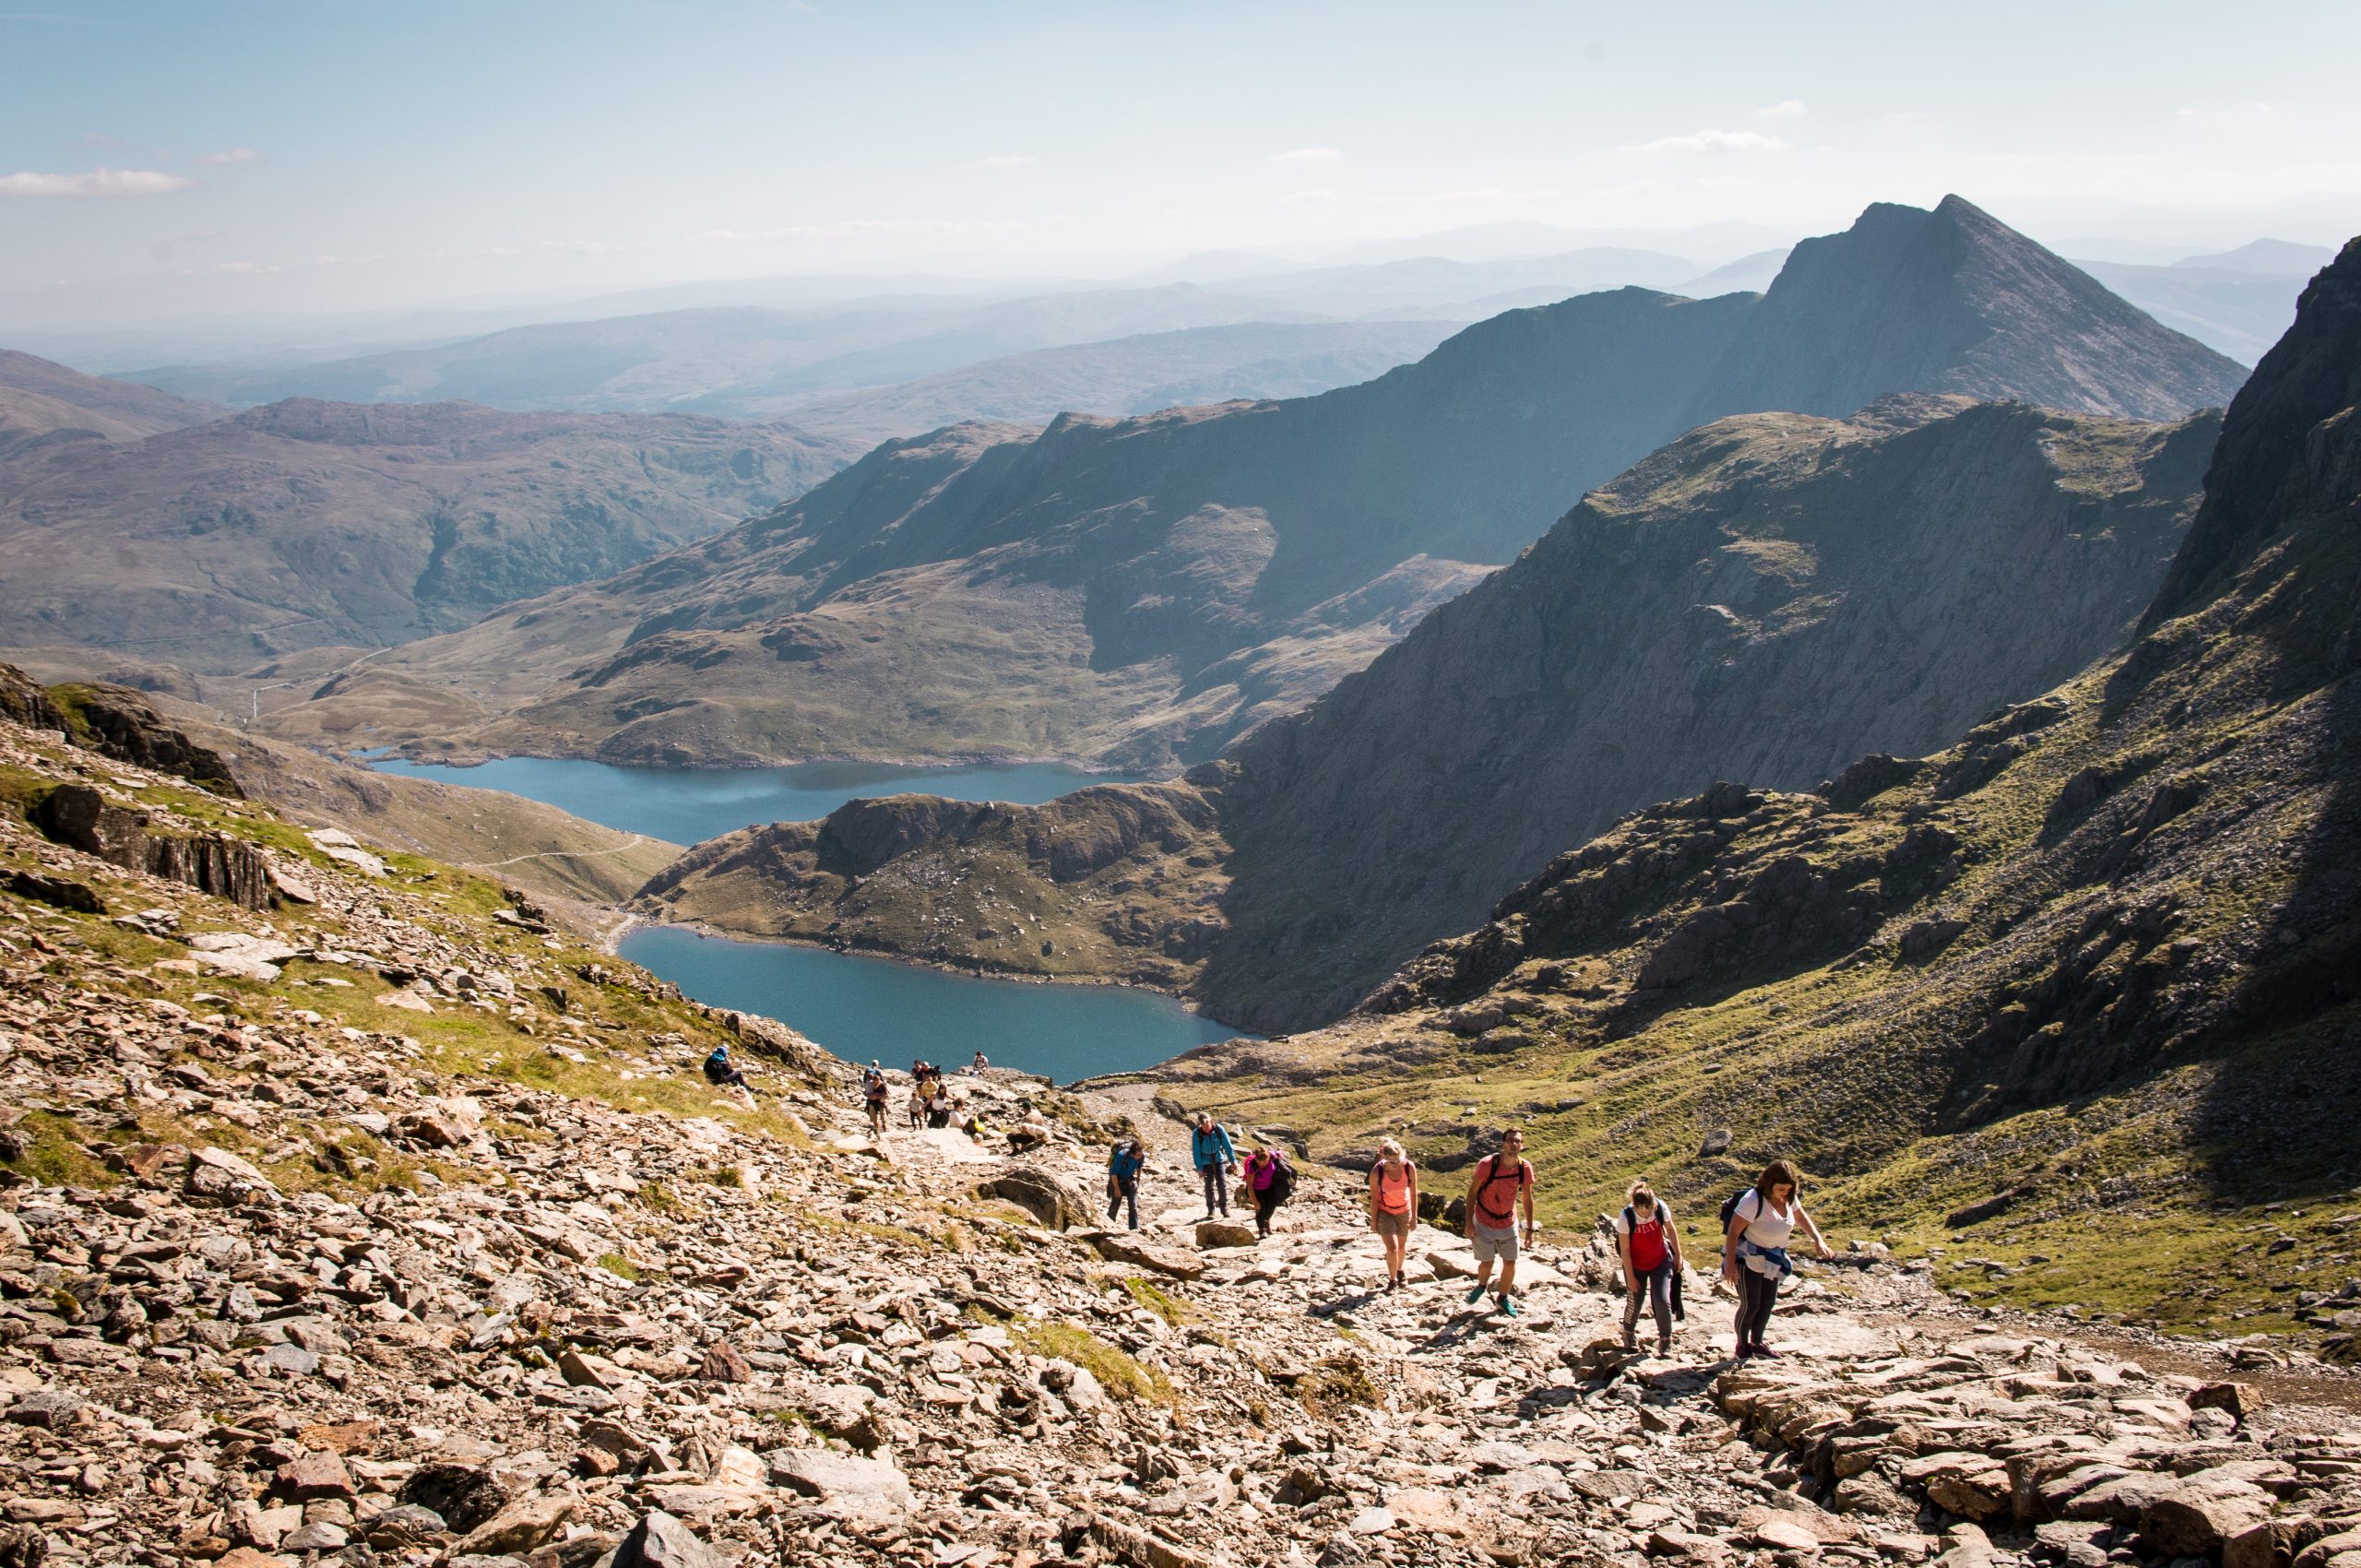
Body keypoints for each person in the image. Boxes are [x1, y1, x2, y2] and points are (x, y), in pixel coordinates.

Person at [1722, 1158, 1832, 1360]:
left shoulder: (1789, 1198)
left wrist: (1818, 1239)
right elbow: (1733, 1232)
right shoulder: (1753, 1201)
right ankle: (1742, 1345)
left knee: (1767, 1302)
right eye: (1781, 1188)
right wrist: (1729, 1266)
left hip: (1773, 1257)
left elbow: (1800, 1217)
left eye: (1789, 1189)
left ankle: (1757, 1343)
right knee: (1751, 1303)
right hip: (1748, 1257)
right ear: (1769, 1184)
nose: (1785, 1193)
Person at [1463, 1128, 1536, 1317]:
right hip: (1483, 1221)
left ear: (1522, 1145)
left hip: (1508, 1222)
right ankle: (1481, 1285)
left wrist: (1529, 1228)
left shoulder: (1524, 1167)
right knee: (1486, 1263)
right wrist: (1469, 1223)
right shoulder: (1487, 1164)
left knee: (1510, 1262)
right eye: (1510, 1140)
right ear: (1503, 1143)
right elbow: (1472, 1193)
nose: (1514, 1144)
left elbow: (1527, 1198)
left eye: (1517, 1141)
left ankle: (1503, 1298)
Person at [1616, 1180, 1684, 1353]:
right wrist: (1630, 1277)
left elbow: (1670, 1229)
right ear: (1635, 1205)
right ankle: (1629, 1332)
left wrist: (1678, 1254)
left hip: (1660, 1259)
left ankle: (1666, 1340)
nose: (1647, 1215)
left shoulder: (1660, 1207)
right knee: (1635, 1301)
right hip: (1636, 1264)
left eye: (1650, 1210)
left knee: (1662, 1299)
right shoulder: (1626, 1217)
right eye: (1643, 1212)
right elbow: (1624, 1249)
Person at [1368, 1140, 1418, 1290]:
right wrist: (1374, 1221)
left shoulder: (1409, 1167)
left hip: (1404, 1210)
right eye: (1391, 1161)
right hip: (1385, 1211)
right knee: (1393, 1248)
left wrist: (1414, 1217)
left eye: (1398, 1160)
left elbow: (1414, 1192)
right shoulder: (1377, 1172)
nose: (1396, 1163)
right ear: (1384, 1157)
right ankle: (1392, 1280)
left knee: (1402, 1246)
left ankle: (1400, 1270)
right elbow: (1374, 1198)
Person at [1191, 1113, 1239, 1219]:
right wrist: (1199, 1168)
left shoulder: (1218, 1129)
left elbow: (1227, 1145)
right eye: (1203, 1125)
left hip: (1218, 1159)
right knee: (1209, 1186)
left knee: (1221, 1183)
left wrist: (1233, 1161)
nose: (1206, 1127)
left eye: (1207, 1123)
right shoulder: (1197, 1133)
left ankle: (1224, 1208)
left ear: (1210, 1120)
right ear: (1200, 1124)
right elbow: (1196, 1152)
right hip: (1205, 1162)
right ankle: (1211, 1210)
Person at [1244, 1142, 1292, 1238]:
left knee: (1271, 1206)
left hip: (1269, 1187)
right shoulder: (1252, 1166)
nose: (1265, 1163)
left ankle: (1266, 1221)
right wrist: (1255, 1202)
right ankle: (1262, 1230)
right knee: (1261, 1208)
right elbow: (1249, 1186)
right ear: (1257, 1160)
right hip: (1256, 1189)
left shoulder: (1272, 1158)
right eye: (1262, 1162)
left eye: (1266, 1160)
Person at [1106, 1136, 1147, 1229]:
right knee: (1115, 1204)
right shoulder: (1122, 1155)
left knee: (1133, 1205)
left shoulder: (1142, 1156)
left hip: (1130, 1179)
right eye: (1138, 1155)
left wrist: (1138, 1180)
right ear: (1132, 1153)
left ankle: (1134, 1229)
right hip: (1117, 1179)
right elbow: (1113, 1173)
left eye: (1141, 1154)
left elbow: (1139, 1167)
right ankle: (1108, 1225)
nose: (1140, 1156)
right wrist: (1116, 1189)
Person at [861, 1066, 890, 1136]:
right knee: (873, 1116)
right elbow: (866, 1092)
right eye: (875, 1081)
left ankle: (884, 1126)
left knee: (883, 1116)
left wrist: (877, 1097)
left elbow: (886, 1095)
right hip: (872, 1102)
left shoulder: (882, 1085)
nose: (876, 1083)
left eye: (877, 1081)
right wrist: (867, 1095)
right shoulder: (870, 1084)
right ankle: (877, 1128)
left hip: (880, 1102)